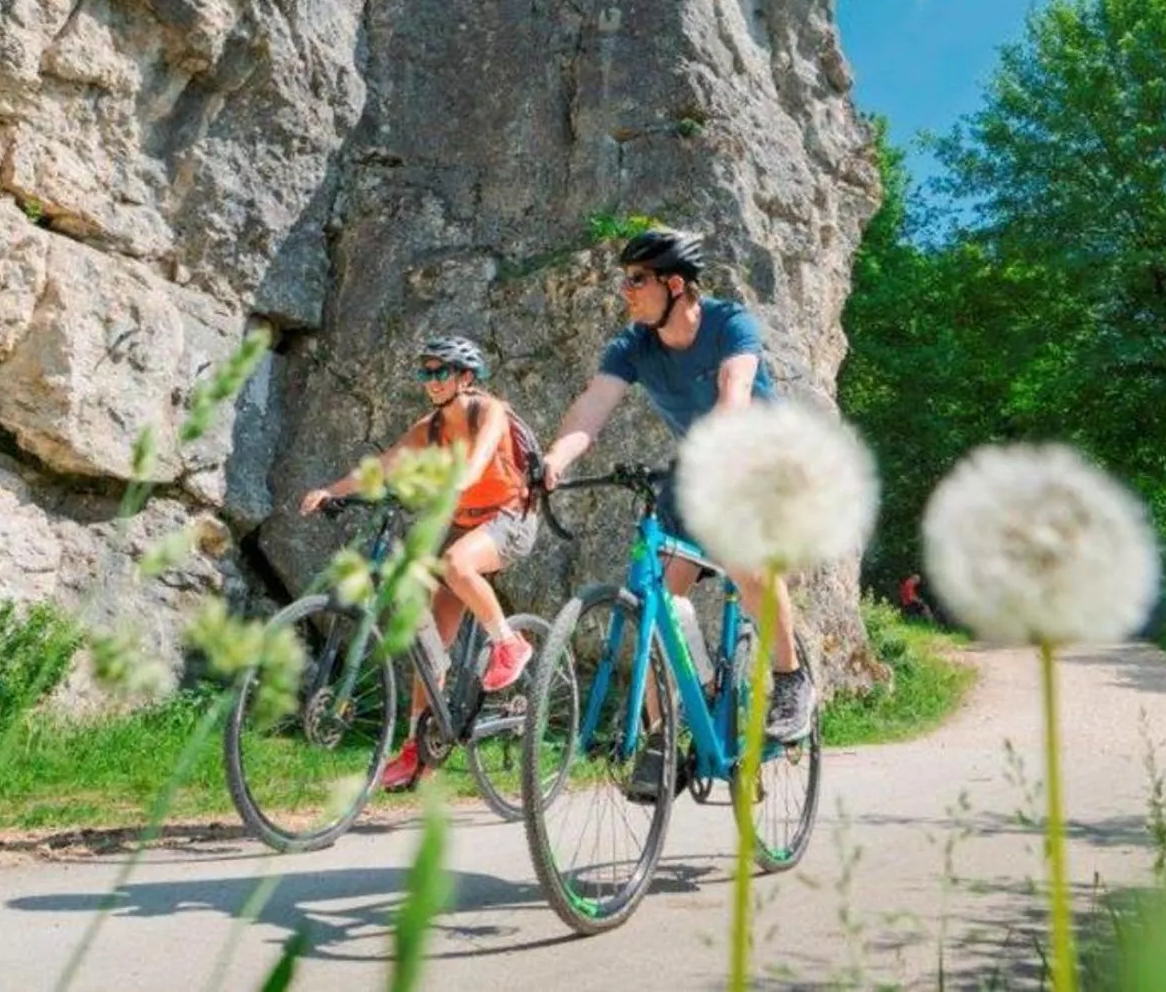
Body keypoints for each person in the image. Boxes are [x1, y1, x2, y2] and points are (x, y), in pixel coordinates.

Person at [544, 227, 816, 800]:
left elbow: (734, 394)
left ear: (675, 284)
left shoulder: (729, 323)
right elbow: (592, 408)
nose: (626, 291)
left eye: (636, 279)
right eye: (624, 280)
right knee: (656, 604)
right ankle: (667, 733)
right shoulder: (631, 346)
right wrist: (554, 461)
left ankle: (792, 680)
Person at [298, 334, 540, 792]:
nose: (431, 381)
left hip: (509, 517)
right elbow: (382, 466)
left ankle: (508, 642)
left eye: (440, 371)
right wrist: (333, 490)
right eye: (425, 372)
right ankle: (418, 748)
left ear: (466, 377)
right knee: (425, 641)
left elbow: (480, 458)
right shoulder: (428, 428)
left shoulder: (490, 411)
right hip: (461, 523)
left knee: (455, 563)